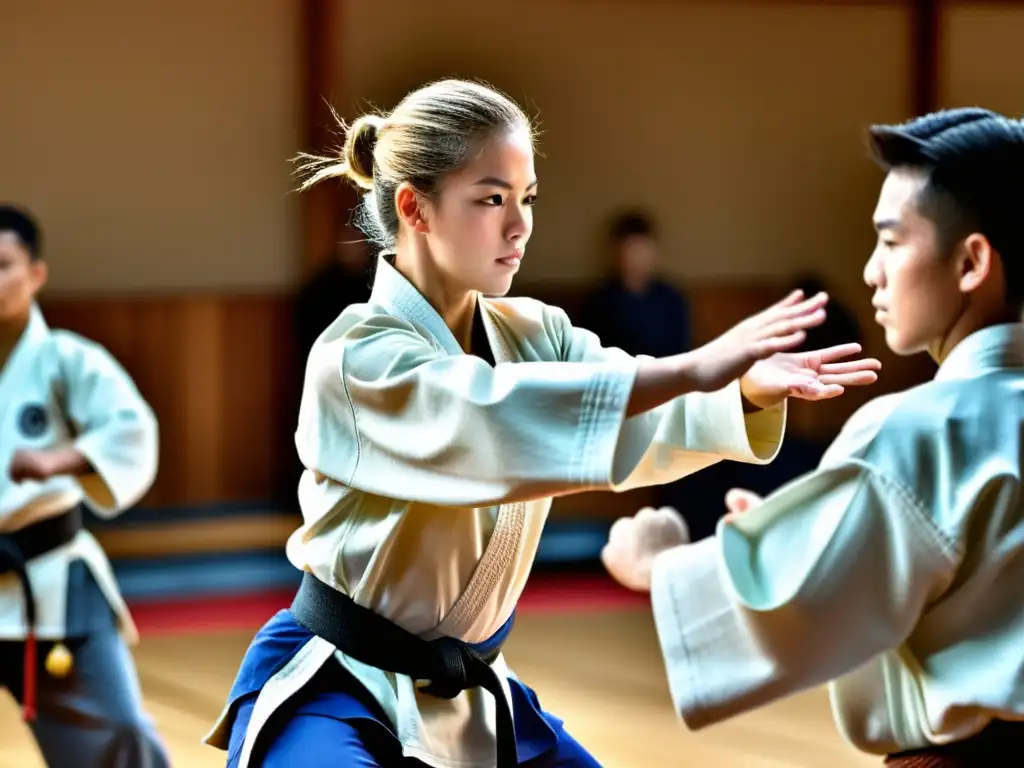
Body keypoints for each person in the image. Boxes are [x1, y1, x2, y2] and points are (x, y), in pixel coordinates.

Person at [203, 78, 880, 768]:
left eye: (526, 199)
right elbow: (494, 422)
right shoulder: (355, 358)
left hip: (475, 693)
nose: (519, 225)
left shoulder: (536, 333)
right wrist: (694, 367)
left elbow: (625, 424)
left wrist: (741, 394)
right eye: (492, 199)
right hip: (343, 683)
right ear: (416, 208)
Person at [601, 107, 1024, 766]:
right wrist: (807, 529)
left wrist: (660, 565)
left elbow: (797, 608)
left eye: (891, 241)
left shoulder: (918, 431)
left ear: (972, 262)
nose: (870, 272)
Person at [0, 205, 169, 767]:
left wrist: (61, 460)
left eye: (3, 265)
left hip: (49, 579)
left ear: (36, 274)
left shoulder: (67, 359)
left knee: (118, 729)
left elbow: (131, 429)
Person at [579, 210, 691, 359]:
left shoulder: (672, 299)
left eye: (642, 251)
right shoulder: (599, 303)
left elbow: (682, 352)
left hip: (665, 376)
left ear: (653, 253)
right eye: (630, 251)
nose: (636, 259)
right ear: (617, 253)